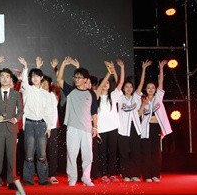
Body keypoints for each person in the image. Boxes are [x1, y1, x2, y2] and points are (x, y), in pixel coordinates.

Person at [57, 57, 99, 187]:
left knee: (88, 156)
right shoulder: (70, 91)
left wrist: (95, 127)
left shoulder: (91, 94)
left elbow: (94, 112)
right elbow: (59, 80)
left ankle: (86, 178)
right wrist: (63, 64)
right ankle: (72, 178)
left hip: (86, 129)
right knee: (72, 154)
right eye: (75, 77)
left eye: (79, 77)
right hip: (73, 128)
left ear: (85, 79)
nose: (76, 79)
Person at [18, 56, 57, 187]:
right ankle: (28, 179)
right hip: (29, 124)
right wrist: (25, 67)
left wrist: (49, 127)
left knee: (42, 154)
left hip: (42, 125)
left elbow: (49, 112)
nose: (34, 78)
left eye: (37, 76)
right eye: (32, 76)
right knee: (29, 154)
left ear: (41, 78)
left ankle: (43, 179)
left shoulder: (47, 94)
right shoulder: (27, 89)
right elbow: (24, 81)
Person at [0, 58, 22, 189]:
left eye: (7, 76)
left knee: (11, 156)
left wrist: (16, 119)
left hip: (12, 128)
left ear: (11, 79)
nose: (5, 79)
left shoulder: (16, 94)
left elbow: (21, 111)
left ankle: (11, 180)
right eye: (2, 76)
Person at [138, 60, 171, 183]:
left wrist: (161, 67)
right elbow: (138, 115)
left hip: (156, 128)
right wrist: (143, 104)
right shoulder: (142, 100)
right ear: (145, 90)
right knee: (146, 152)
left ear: (155, 89)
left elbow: (161, 81)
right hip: (145, 129)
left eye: (153, 88)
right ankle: (147, 176)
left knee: (156, 153)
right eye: (149, 88)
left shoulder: (158, 98)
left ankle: (155, 174)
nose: (151, 89)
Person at [115, 59, 141, 182]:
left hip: (135, 128)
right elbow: (119, 82)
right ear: (123, 89)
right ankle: (125, 174)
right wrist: (122, 68)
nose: (129, 88)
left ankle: (135, 174)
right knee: (124, 152)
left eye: (131, 87)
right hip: (123, 129)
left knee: (135, 152)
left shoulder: (136, 98)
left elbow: (141, 85)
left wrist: (144, 69)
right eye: (127, 87)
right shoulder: (120, 98)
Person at [95, 61, 121, 183]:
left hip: (113, 128)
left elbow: (120, 83)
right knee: (102, 153)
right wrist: (109, 72)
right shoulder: (96, 96)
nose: (105, 84)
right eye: (103, 83)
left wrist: (115, 70)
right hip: (101, 129)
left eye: (107, 83)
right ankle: (104, 174)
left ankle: (112, 174)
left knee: (112, 152)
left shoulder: (114, 96)